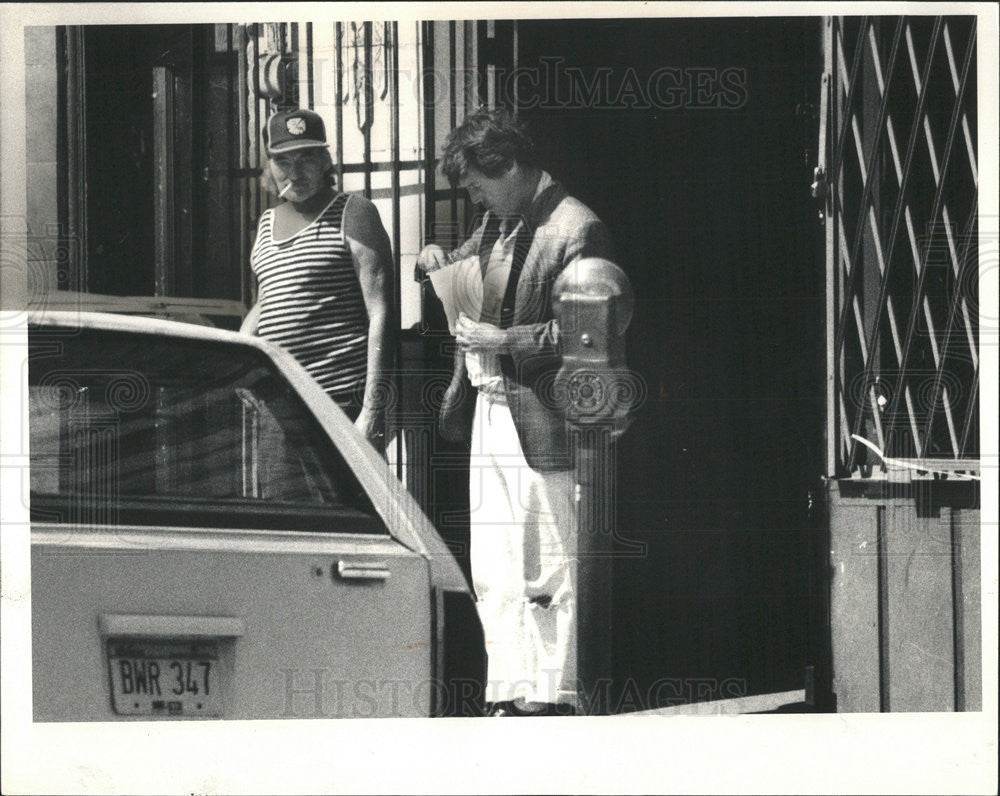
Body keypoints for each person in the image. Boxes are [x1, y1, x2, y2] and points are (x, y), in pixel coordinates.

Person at [417, 107, 615, 716]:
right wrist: (437, 267)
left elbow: (592, 331)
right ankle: (507, 687)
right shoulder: (499, 223)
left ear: (509, 165)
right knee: (496, 561)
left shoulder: (576, 227)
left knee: (549, 557)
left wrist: (505, 343)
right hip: (491, 407)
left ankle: (555, 693)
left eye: (477, 181)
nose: (472, 195)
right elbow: (473, 285)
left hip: (544, 416)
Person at [241, 108, 394, 451]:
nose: (294, 173)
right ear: (270, 166)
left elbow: (381, 312)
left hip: (338, 403)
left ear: (326, 162)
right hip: (278, 403)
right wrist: (240, 355)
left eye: (306, 158)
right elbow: (269, 301)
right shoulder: (267, 223)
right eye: (283, 161)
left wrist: (372, 410)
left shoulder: (354, 212)